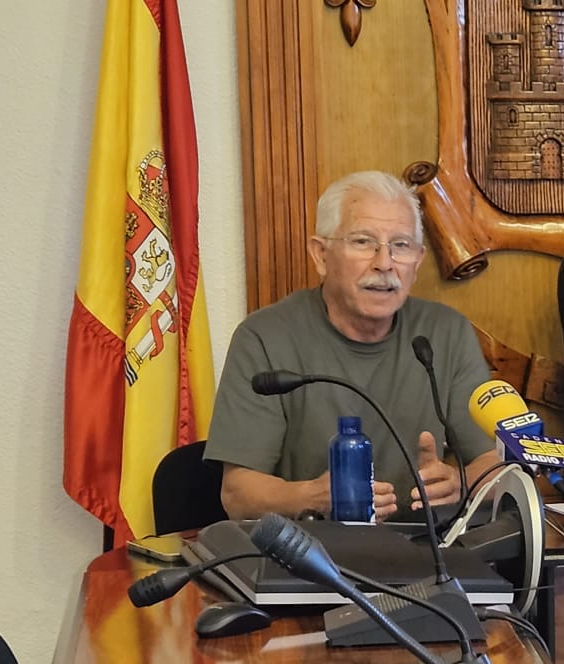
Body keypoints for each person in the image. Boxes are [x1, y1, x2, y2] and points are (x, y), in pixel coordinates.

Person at [206, 170, 502, 520]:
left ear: (418, 262)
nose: (384, 263)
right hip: (311, 559)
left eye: (401, 245)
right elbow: (238, 494)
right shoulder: (264, 338)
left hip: (428, 555)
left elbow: (500, 463)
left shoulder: (445, 333)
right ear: (320, 255)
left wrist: (460, 483)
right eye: (363, 242)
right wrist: (315, 496)